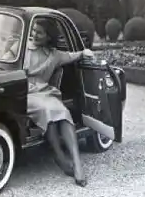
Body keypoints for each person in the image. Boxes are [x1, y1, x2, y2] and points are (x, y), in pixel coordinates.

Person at [24, 18, 94, 187]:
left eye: (39, 32)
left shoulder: (54, 55)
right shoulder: (21, 49)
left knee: (62, 112)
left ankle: (77, 163)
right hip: (24, 94)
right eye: (33, 30)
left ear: (49, 37)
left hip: (45, 93)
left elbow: (72, 56)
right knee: (49, 110)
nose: (34, 35)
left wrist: (84, 53)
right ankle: (59, 156)